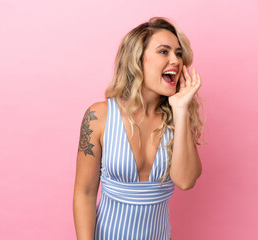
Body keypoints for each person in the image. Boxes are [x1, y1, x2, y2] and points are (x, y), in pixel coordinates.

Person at [73, 17, 204, 240]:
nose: (175, 60)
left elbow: (185, 181)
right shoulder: (99, 116)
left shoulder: (177, 119)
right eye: (164, 51)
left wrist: (181, 110)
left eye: (179, 53)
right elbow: (84, 193)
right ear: (137, 60)